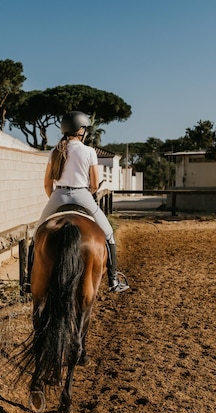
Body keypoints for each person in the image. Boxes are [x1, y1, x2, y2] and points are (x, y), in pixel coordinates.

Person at [34, 111, 129, 293]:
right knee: (108, 234)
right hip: (82, 195)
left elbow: (47, 184)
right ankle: (113, 280)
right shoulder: (89, 151)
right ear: (80, 130)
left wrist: (57, 200)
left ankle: (28, 280)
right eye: (85, 128)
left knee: (36, 236)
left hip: (58, 196)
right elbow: (94, 184)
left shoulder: (55, 151)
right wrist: (87, 194)